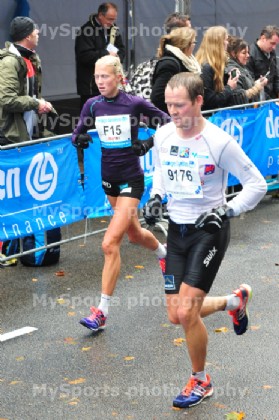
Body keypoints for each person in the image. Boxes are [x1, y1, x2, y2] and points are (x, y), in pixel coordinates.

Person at [143, 72, 267, 409]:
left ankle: (200, 380)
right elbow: (161, 175)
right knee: (176, 314)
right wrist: (155, 198)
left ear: (199, 102)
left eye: (180, 105)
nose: (173, 113)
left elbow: (257, 185)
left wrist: (227, 210)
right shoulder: (164, 134)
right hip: (176, 230)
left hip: (208, 232)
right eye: (169, 106)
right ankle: (233, 302)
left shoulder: (219, 142)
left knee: (186, 312)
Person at [72, 55, 170, 332]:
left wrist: (148, 142)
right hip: (109, 181)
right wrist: (78, 138)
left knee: (109, 243)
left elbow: (165, 122)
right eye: (97, 77)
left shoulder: (134, 103)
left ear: (118, 77)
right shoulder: (93, 105)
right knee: (134, 234)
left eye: (105, 76)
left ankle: (101, 311)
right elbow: (77, 132)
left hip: (131, 181)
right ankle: (164, 253)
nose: (100, 82)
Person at [0, 16, 54, 145]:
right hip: (9, 134)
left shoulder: (30, 59)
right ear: (28, 36)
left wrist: (40, 104)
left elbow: (31, 94)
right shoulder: (9, 62)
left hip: (25, 128)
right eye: (35, 30)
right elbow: (7, 99)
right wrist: (36, 103)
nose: (38, 32)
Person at [75, 2, 125, 110]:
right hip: (91, 86)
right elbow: (84, 56)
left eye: (114, 19)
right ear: (100, 16)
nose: (112, 22)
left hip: (110, 84)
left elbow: (122, 49)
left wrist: (117, 58)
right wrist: (107, 55)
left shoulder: (113, 29)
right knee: (90, 118)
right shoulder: (86, 30)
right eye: (109, 19)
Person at [151, 27, 201, 113]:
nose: (195, 45)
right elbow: (158, 97)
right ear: (185, 44)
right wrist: (177, 110)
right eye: (194, 42)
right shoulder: (169, 64)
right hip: (173, 118)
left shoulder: (186, 62)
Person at [195, 26, 240, 111]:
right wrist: (229, 87)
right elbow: (210, 101)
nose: (228, 43)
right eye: (226, 40)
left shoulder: (217, 64)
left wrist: (228, 76)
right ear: (219, 43)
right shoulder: (206, 68)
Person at [226, 36, 268, 103]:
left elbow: (246, 87)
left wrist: (257, 83)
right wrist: (257, 87)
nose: (248, 55)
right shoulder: (233, 70)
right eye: (244, 53)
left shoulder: (242, 68)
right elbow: (238, 97)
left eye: (248, 52)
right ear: (234, 54)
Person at [246, 25, 279, 100]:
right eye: (272, 43)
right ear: (263, 38)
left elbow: (276, 77)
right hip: (259, 102)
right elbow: (250, 84)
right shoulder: (250, 55)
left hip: (272, 100)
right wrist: (271, 102)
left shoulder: (271, 52)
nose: (274, 48)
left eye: (276, 44)